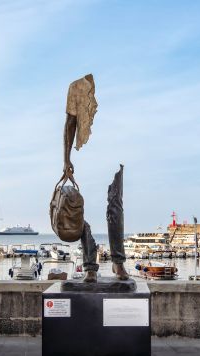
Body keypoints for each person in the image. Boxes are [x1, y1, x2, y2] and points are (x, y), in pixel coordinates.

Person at [62, 74, 129, 283]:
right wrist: (66, 159)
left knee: (116, 208)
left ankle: (118, 261)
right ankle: (90, 264)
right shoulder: (76, 86)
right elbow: (69, 123)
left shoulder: (126, 82)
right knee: (77, 210)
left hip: (114, 156)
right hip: (82, 154)